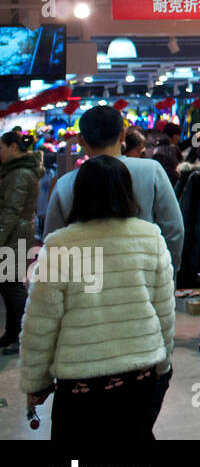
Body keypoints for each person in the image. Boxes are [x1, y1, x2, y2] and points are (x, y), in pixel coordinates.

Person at [21, 155, 175, 442]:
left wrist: (36, 381)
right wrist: (163, 364)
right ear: (127, 190)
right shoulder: (150, 237)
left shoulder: (60, 245)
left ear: (80, 193)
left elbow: (41, 323)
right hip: (139, 374)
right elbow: (164, 310)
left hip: (81, 380)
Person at [44, 106, 185, 278]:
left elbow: (52, 245)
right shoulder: (152, 171)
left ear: (80, 139)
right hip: (142, 282)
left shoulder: (65, 184)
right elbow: (173, 229)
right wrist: (166, 276)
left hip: (85, 288)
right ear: (123, 135)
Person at [0, 131, 40, 351]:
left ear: (14, 147)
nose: (0, 153)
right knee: (8, 285)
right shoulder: (18, 171)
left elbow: (11, 211)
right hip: (16, 234)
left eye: (1, 148)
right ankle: (13, 333)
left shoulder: (19, 174)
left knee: (12, 285)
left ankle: (23, 336)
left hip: (14, 236)